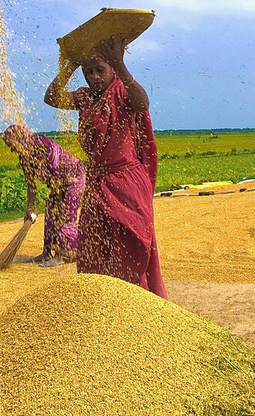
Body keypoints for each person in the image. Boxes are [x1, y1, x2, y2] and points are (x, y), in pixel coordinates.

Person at [44, 37, 167, 298]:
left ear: (111, 69)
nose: (93, 77)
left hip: (126, 181)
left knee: (132, 243)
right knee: (94, 245)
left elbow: (143, 103)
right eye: (88, 71)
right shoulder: (85, 98)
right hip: (96, 183)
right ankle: (103, 303)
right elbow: (51, 98)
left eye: (100, 69)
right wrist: (69, 68)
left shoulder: (123, 91)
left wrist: (121, 65)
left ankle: (138, 302)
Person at [1, 124, 85, 267]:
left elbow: (56, 167)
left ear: (19, 139)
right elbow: (31, 183)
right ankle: (46, 252)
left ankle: (62, 254)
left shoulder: (41, 144)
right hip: (57, 183)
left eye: (11, 144)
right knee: (50, 214)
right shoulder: (24, 156)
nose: (11, 149)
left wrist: (59, 199)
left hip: (73, 179)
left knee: (64, 215)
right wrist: (29, 208)